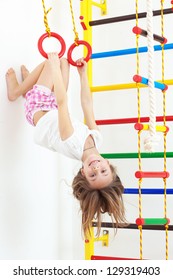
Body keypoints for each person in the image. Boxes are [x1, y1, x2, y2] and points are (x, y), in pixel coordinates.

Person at [6, 52, 126, 237]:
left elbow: (63, 103)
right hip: (53, 107)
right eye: (103, 171)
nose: (96, 167)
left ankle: (17, 91)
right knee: (64, 63)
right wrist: (83, 74)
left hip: (38, 107)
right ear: (109, 165)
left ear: (83, 173)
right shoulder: (97, 139)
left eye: (92, 175)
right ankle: (30, 86)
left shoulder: (72, 143)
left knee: (50, 62)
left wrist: (52, 68)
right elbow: (87, 104)